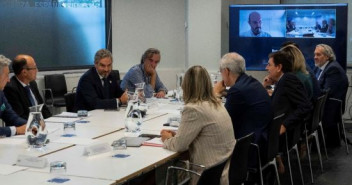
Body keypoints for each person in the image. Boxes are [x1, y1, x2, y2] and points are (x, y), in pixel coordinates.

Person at [161, 66, 236, 185]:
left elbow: (179, 145)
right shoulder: (218, 103)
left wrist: (167, 138)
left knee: (164, 170)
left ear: (186, 86)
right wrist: (181, 135)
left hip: (204, 177)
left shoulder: (194, 109)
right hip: (223, 173)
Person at [263, 51, 312, 174]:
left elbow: (305, 106)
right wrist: (265, 86)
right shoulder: (283, 80)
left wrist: (285, 124)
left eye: (269, 65)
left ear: (279, 67)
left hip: (284, 136)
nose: (266, 68)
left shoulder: (288, 79)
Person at [213, 52, 272, 147]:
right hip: (263, 141)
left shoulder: (237, 90)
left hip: (248, 148)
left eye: (221, 71)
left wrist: (214, 94)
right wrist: (227, 94)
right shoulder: (252, 82)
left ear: (226, 71)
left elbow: (221, 122)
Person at [313, 44, 348, 147]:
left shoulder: (333, 69)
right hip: (324, 104)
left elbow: (326, 93)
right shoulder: (320, 67)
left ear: (327, 56)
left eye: (318, 54)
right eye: (315, 54)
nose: (315, 57)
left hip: (330, 108)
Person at [4, 55, 52, 120]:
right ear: (24, 72)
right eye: (34, 68)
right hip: (27, 126)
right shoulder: (11, 88)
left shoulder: (32, 83)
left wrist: (51, 120)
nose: (37, 70)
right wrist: (38, 124)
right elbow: (20, 116)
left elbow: (43, 106)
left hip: (42, 124)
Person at [0, 55, 27, 137]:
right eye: (6, 75)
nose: (8, 80)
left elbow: (12, 117)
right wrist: (16, 130)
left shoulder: (0, 93)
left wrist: (30, 124)